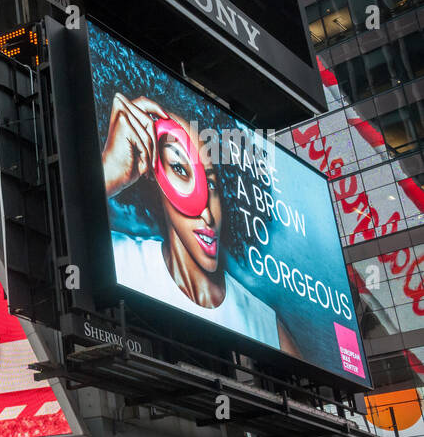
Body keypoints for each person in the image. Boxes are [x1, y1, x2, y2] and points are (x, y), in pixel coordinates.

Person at [101, 96, 297, 354]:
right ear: (150, 173)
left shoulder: (267, 327)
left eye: (212, 183)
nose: (207, 213)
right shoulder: (116, 259)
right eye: (180, 169)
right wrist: (107, 172)